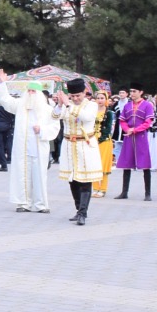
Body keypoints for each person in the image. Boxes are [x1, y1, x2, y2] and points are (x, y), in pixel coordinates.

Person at [0, 72, 58, 212]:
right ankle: (23, 203)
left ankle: (41, 205)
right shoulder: (20, 105)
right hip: (23, 149)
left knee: (39, 177)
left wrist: (42, 130)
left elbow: (55, 127)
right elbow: (5, 100)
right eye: (29, 91)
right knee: (22, 175)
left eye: (33, 91)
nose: (31, 93)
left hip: (39, 148)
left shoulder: (47, 109)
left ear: (39, 93)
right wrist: (3, 83)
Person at [58, 78, 102, 225]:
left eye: (78, 95)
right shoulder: (67, 104)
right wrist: (59, 105)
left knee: (85, 179)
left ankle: (83, 212)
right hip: (69, 145)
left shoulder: (92, 105)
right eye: (73, 96)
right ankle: (78, 210)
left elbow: (86, 117)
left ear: (84, 92)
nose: (75, 98)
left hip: (85, 145)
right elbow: (55, 116)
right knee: (73, 179)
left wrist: (68, 104)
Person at [113, 84, 156, 201]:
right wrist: (127, 129)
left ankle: (148, 193)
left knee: (145, 164)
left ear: (141, 92)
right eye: (131, 91)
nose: (132, 93)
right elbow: (122, 121)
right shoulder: (127, 106)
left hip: (141, 137)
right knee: (126, 164)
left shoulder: (147, 105)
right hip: (128, 137)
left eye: (134, 91)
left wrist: (135, 130)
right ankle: (124, 192)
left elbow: (148, 122)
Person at [90, 88, 116, 198]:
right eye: (98, 98)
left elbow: (108, 128)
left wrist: (100, 139)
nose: (100, 100)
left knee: (103, 165)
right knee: (93, 165)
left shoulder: (109, 113)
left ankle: (103, 189)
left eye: (102, 98)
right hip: (92, 140)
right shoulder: (92, 112)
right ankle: (95, 188)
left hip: (104, 141)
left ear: (106, 100)